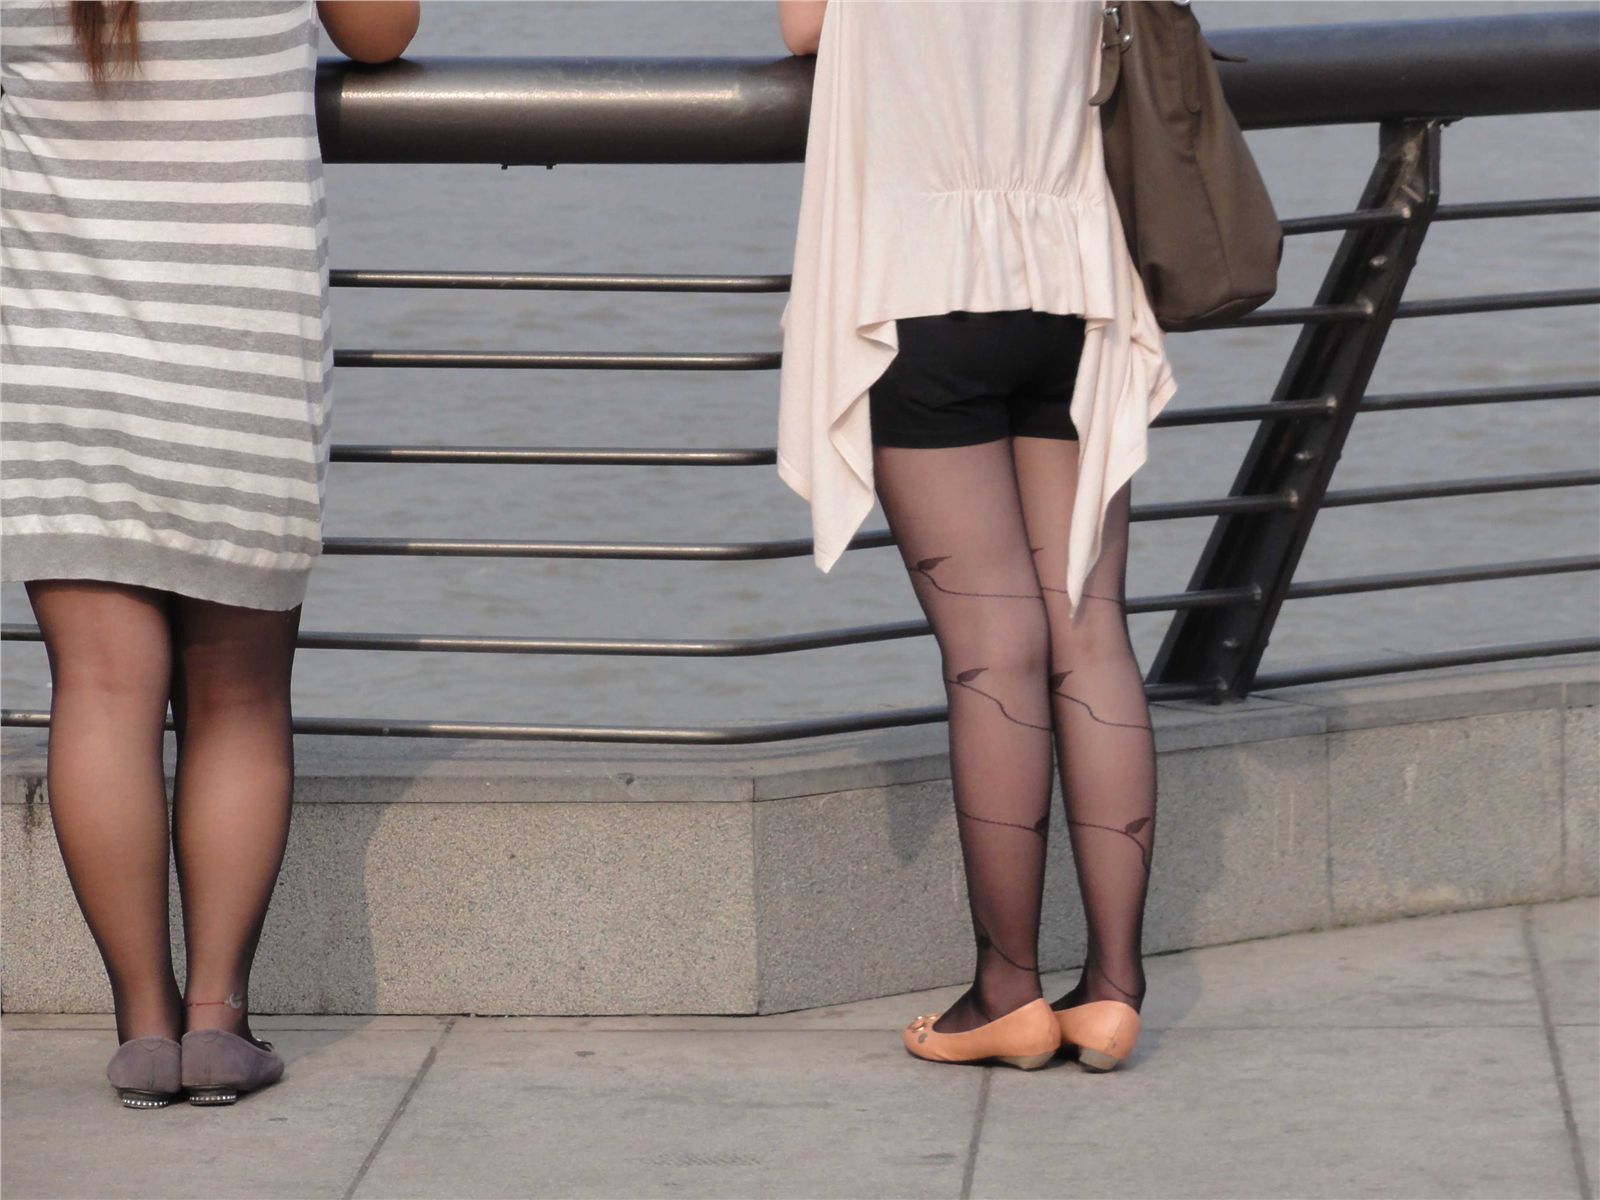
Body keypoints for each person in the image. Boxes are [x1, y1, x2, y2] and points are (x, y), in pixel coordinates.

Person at [0, 0, 418, 1107]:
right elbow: (382, 34)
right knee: (237, 698)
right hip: (241, 343)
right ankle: (218, 1022)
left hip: (58, 348)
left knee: (96, 687)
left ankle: (142, 1028)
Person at [776, 0, 1177, 1072]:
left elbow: (804, 24)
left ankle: (1005, 991)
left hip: (926, 279)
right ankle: (1111, 989)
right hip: (1069, 280)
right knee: (1091, 636)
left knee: (994, 653)